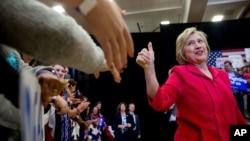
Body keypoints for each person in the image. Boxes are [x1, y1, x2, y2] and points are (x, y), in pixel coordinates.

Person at [136, 27, 247, 141]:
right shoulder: (180, 74)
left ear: (206, 46)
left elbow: (235, 113)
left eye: (200, 41)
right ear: (182, 52)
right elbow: (160, 102)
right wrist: (149, 69)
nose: (198, 45)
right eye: (190, 43)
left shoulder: (222, 75)